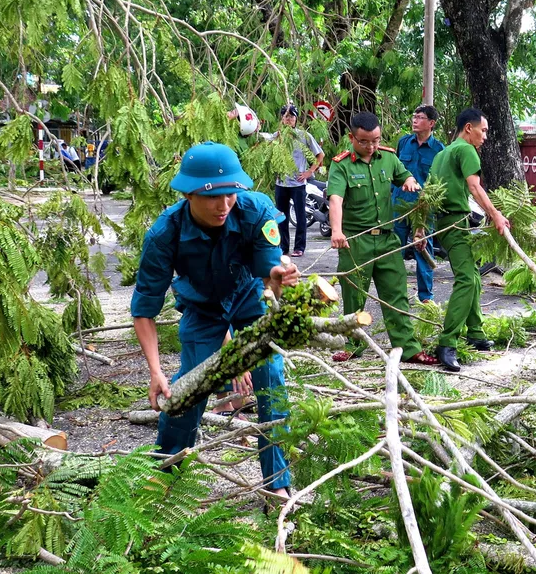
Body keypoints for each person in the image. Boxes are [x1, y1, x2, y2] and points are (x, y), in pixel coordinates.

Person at [131, 142, 299, 501]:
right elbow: (144, 309)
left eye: (230, 195)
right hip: (202, 310)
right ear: (189, 193)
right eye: (213, 197)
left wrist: (279, 278)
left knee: (272, 381)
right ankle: (166, 472)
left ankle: (277, 482)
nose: (224, 206)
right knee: (189, 389)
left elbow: (269, 268)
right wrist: (156, 372)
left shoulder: (255, 210)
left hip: (249, 301)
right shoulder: (165, 233)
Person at [326, 112, 439, 365]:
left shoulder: (388, 156)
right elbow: (336, 199)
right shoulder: (341, 164)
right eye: (365, 141)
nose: (371, 146)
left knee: (396, 294)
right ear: (351, 137)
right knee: (354, 296)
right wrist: (336, 231)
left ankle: (408, 349)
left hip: (388, 240)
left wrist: (409, 181)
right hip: (356, 241)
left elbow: (404, 175)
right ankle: (353, 346)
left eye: (376, 140)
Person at [427, 107, 510, 372]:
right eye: (483, 130)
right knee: (466, 278)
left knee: (473, 275)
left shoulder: (442, 153)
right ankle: (447, 343)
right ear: (468, 129)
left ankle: (475, 333)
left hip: (444, 222)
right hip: (453, 223)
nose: (485, 136)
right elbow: (475, 187)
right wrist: (495, 214)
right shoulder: (465, 150)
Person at [391, 105, 446, 302]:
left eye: (420, 117)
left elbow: (439, 183)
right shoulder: (404, 142)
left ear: (431, 123)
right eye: (414, 116)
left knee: (423, 248)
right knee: (395, 249)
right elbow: (395, 172)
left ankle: (426, 297)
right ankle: (396, 292)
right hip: (399, 205)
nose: (415, 120)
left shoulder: (440, 150)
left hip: (423, 208)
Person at [272, 105, 324, 257]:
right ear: (282, 119)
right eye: (286, 116)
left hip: (298, 184)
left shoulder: (304, 136)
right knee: (282, 216)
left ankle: (299, 247)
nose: (288, 119)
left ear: (296, 119)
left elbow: (320, 155)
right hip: (281, 184)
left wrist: (309, 172)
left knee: (301, 217)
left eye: (291, 117)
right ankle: (283, 247)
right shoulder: (277, 136)